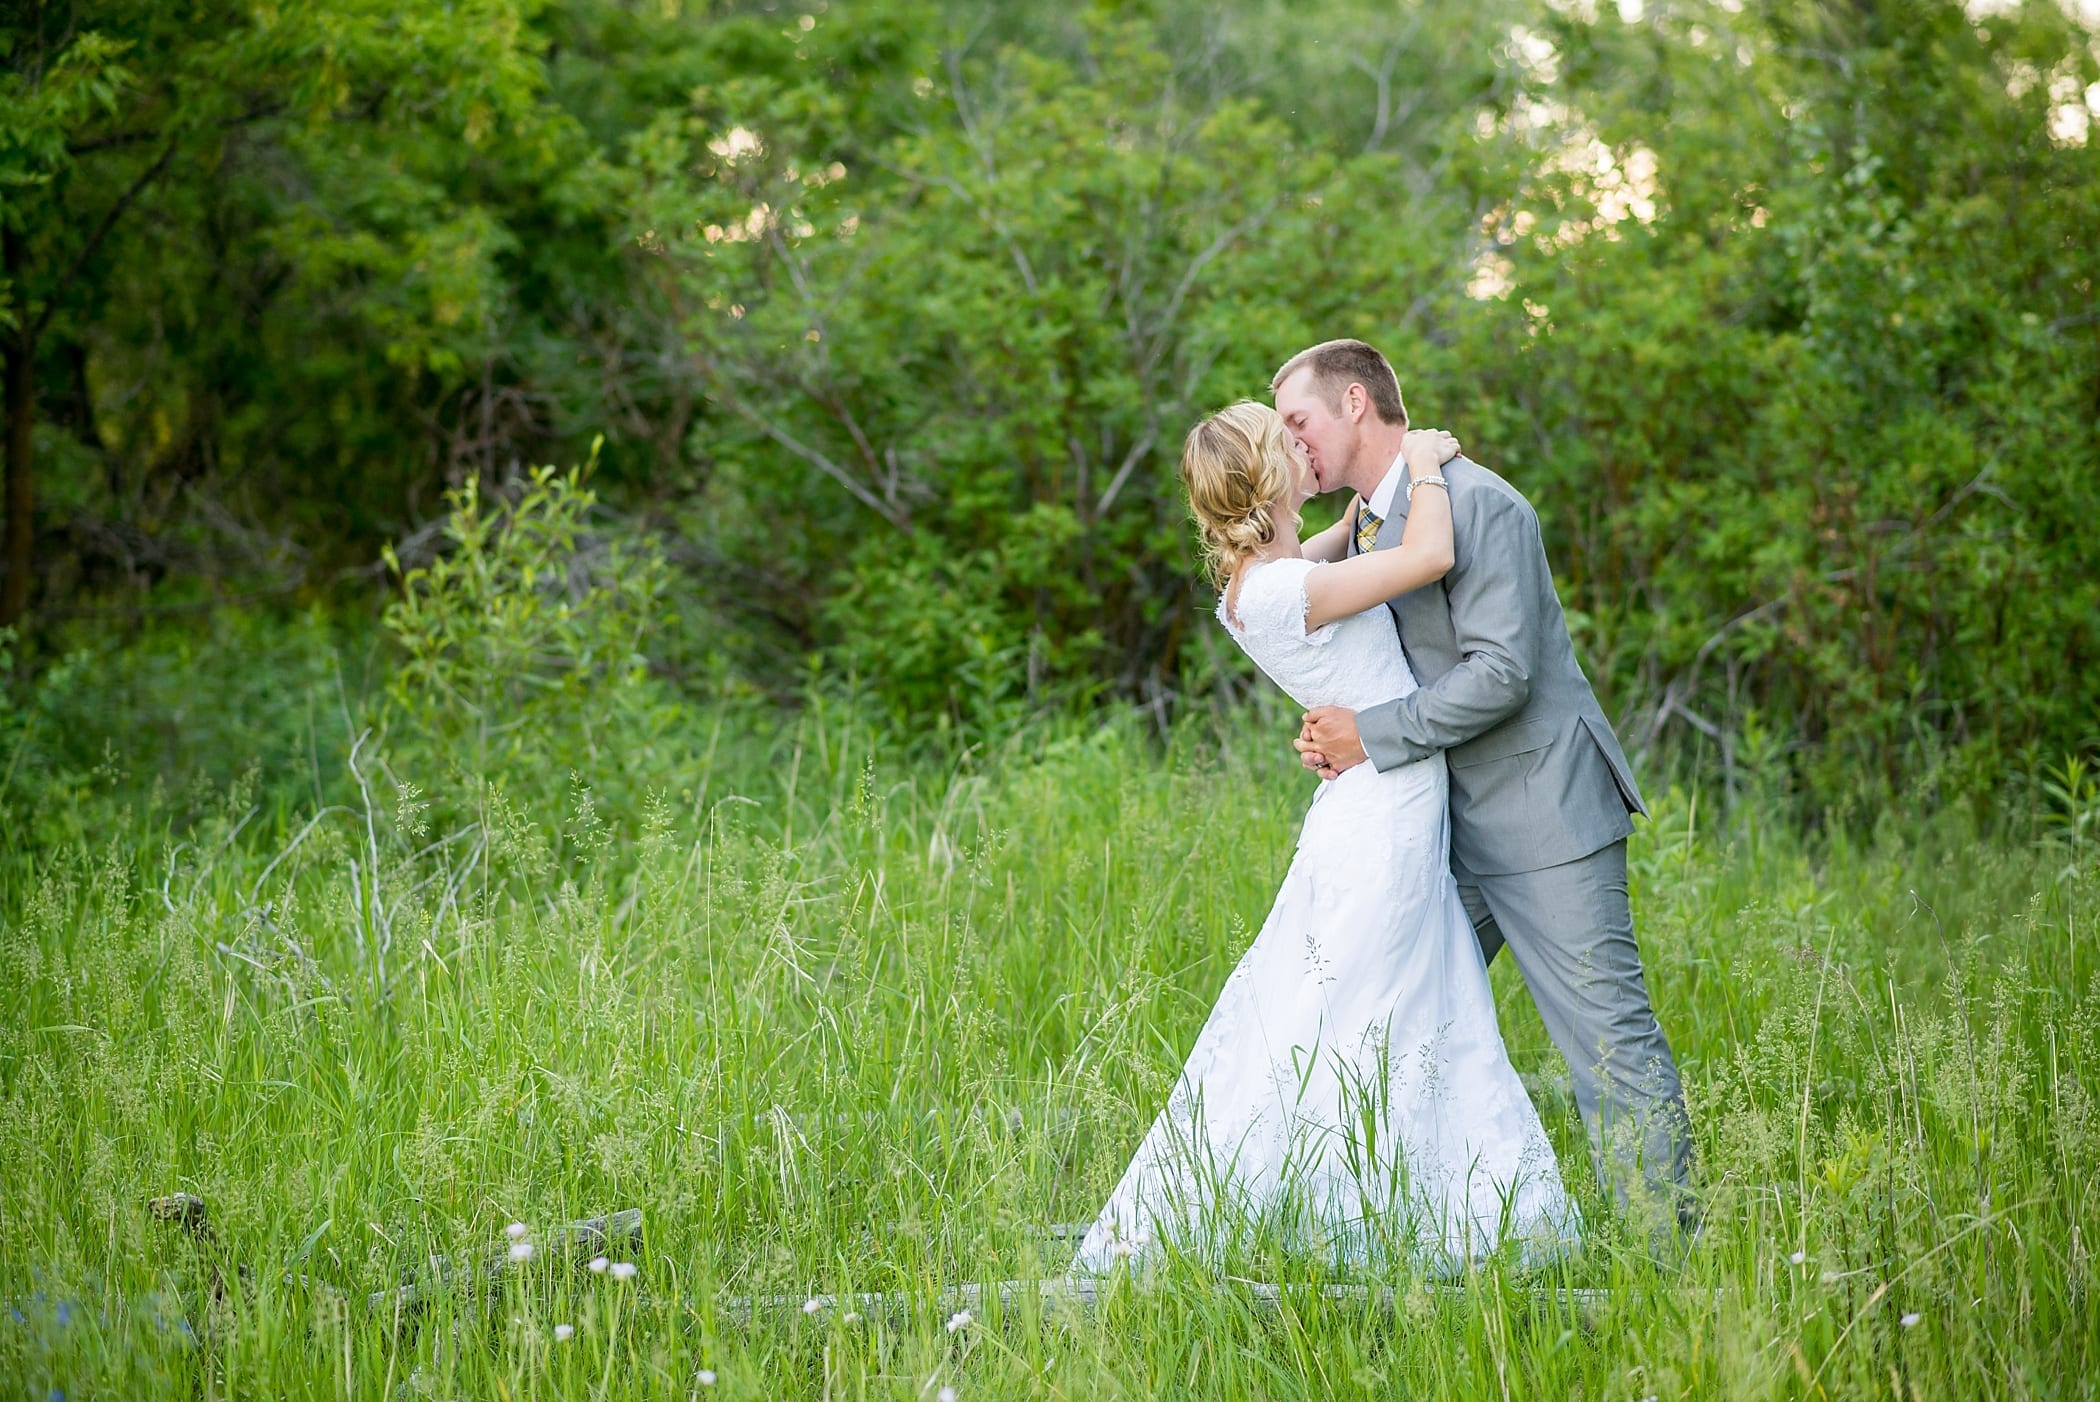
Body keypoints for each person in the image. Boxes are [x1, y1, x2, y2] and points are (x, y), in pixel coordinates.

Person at [1071, 402, 1577, 1274]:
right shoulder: (1280, 590)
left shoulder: (1256, 582)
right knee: (1366, 1011)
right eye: (1289, 444)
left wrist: (1355, 507)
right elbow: (1429, 556)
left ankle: (1392, 1206)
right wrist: (1421, 463)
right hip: (1382, 811)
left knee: (1392, 1004)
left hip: (1377, 802)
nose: (1307, 450)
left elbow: (1341, 539)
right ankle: (1350, 1214)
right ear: (1269, 479)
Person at [1276, 339, 1694, 1244]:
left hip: (1543, 813)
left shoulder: (1482, 504)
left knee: (1610, 1047)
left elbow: (1502, 671)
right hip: (1439, 828)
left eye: (1297, 421)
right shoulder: (1373, 520)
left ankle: (1676, 1271)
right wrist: (1338, 729)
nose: (1288, 441)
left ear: (1354, 404)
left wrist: (1369, 737)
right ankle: (1389, 1237)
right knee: (1377, 1025)